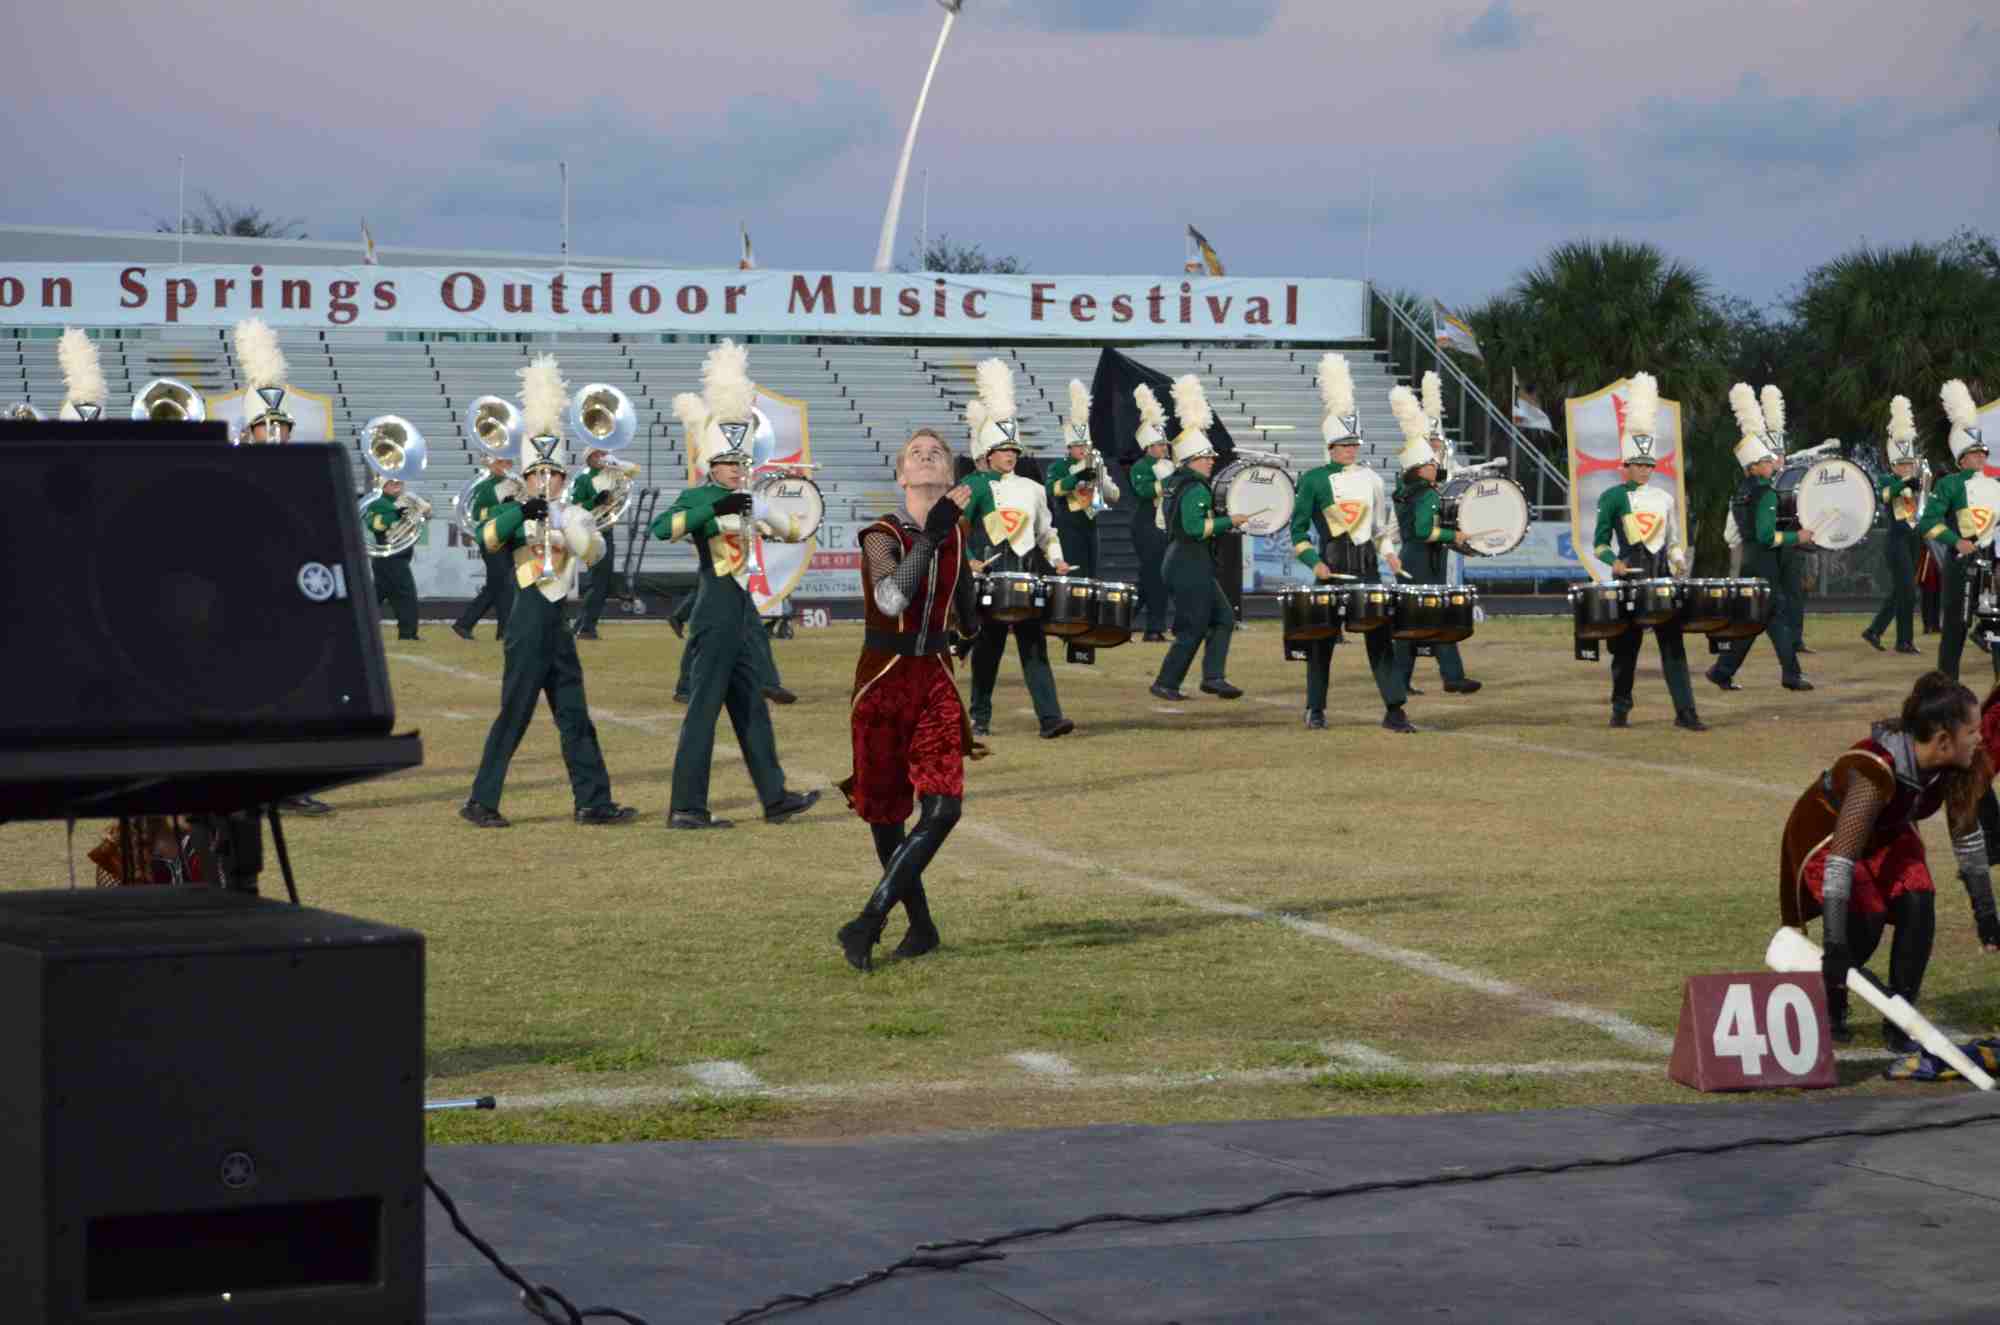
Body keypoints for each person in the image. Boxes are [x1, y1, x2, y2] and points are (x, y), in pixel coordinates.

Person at [461, 355, 638, 830]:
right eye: (537, 474)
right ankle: (481, 800)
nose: (545, 481)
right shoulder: (513, 510)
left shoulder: (573, 512)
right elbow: (487, 536)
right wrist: (524, 512)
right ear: (525, 478)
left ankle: (593, 801)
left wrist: (564, 522)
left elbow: (595, 552)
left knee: (575, 715)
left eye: (553, 474)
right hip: (527, 617)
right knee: (514, 714)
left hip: (558, 620)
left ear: (563, 477)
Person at [1779, 671, 1998, 1050]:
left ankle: (1900, 1018)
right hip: (1829, 833)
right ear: (1943, 740)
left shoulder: (1955, 766)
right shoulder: (1875, 769)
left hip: (1888, 830)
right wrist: (1834, 943)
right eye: (1972, 731)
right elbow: (1840, 859)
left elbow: (1967, 838)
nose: (1980, 739)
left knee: (1919, 898)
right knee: (1866, 914)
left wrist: (1987, 915)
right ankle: (1830, 1001)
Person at [835, 428, 983, 970]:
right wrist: (933, 534)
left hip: (935, 677)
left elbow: (962, 596)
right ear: (901, 475)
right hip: (883, 678)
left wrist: (970, 625)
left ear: (950, 475)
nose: (926, 456)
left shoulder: (957, 533)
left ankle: (868, 921)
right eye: (916, 454)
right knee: (887, 814)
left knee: (945, 808)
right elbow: (891, 597)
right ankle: (921, 927)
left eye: (936, 453)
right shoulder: (880, 535)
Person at [655, 341, 819, 830]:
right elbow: (662, 528)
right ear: (711, 462)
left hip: (742, 612)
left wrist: (767, 511)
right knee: (703, 712)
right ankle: (686, 807)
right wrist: (716, 507)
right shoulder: (699, 495)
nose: (736, 467)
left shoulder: (748, 496)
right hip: (713, 611)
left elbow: (794, 529)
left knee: (752, 711)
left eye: (740, 460)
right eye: (727, 461)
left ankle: (775, 797)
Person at [1290, 352, 1413, 733]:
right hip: (1330, 567)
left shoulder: (1373, 479)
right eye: (1344, 445)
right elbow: (1297, 533)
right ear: (1330, 447)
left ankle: (1395, 710)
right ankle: (1315, 708)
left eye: (1354, 444)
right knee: (1320, 643)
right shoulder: (1313, 480)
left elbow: (1379, 529)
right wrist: (1314, 563)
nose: (1350, 450)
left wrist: (1390, 555)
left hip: (1366, 569)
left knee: (1380, 640)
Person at [960, 357, 1076, 738]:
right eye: (1003, 449)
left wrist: (1057, 560)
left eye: (1014, 449)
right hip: (992, 577)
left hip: (1028, 574)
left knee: (1034, 646)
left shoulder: (1034, 489)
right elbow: (953, 528)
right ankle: (979, 716)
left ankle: (1050, 718)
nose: (1010, 454)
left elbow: (1047, 533)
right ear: (988, 453)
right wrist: (968, 560)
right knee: (988, 649)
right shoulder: (975, 485)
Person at [1589, 372, 1703, 730]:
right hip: (1631, 576)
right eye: (1639, 464)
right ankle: (1620, 709)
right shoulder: (1612, 497)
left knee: (1673, 646)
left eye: (1649, 464)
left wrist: (1678, 560)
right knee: (1626, 650)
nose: (1645, 470)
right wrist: (1614, 563)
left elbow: (1672, 541)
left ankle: (1686, 713)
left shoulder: (1665, 498)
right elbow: (1599, 544)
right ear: (1626, 465)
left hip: (1662, 577)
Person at [1708, 383, 1813, 693]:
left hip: (1749, 563)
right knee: (1773, 618)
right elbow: (1767, 536)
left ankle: (1722, 672)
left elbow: (1738, 533)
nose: (1772, 464)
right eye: (1767, 461)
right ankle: (1790, 675)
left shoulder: (1740, 492)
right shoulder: (1766, 493)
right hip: (1766, 565)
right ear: (1754, 466)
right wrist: (1797, 536)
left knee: (1753, 622)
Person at [1150, 374, 1247, 701]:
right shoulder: (1194, 487)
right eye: (1206, 457)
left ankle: (1213, 677)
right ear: (1192, 460)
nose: (1211, 461)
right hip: (1188, 561)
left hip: (1185, 560)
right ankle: (1166, 682)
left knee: (1223, 618)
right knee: (1193, 627)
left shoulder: (1176, 481)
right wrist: (1229, 521)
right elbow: (1193, 528)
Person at [1389, 385, 1481, 699]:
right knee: (1437, 617)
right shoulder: (1427, 494)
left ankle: (1402, 680)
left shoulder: (1405, 490)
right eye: (1431, 464)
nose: (1435, 467)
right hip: (1425, 560)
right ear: (1420, 468)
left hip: (1410, 557)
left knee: (1409, 622)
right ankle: (1453, 677)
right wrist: (1454, 535)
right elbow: (1424, 531)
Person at [1917, 380, 1998, 683]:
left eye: (1984, 453)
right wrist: (1956, 541)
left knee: (1996, 629)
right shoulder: (1949, 485)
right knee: (1955, 629)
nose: (1982, 458)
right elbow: (1928, 523)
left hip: (1991, 564)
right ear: (1962, 458)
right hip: (1961, 564)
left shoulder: (1995, 486)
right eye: (1975, 454)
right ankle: (1946, 688)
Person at [1863, 396, 1924, 655]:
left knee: (1903, 590)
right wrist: (1905, 483)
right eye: (1902, 464)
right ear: (1893, 464)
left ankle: (1875, 631)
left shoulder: (1917, 479)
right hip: (1896, 540)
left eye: (1909, 463)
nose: (1907, 467)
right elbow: (1885, 496)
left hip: (1913, 539)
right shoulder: (1888, 480)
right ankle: (1903, 641)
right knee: (1907, 591)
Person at [1044, 379, 1121, 581]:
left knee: (1091, 574)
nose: (1082, 449)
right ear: (1069, 447)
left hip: (1091, 524)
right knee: (1074, 574)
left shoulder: (1096, 463)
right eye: (1078, 445)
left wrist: (1101, 478)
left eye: (1085, 444)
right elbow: (1052, 490)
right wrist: (1079, 476)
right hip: (1067, 526)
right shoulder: (1058, 466)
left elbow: (1114, 496)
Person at [569, 447, 640, 640]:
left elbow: (635, 470)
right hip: (590, 532)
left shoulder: (613, 473)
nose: (601, 457)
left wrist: (616, 462)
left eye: (603, 453)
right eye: (596, 455)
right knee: (598, 581)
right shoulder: (583, 478)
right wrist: (596, 500)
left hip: (607, 530)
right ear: (588, 458)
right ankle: (586, 627)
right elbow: (575, 507)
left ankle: (582, 625)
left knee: (602, 581)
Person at [1126, 384, 1174, 642]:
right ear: (1148, 447)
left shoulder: (1169, 465)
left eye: (1164, 443)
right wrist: (1171, 482)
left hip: (1164, 525)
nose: (1164, 448)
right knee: (1155, 577)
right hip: (1146, 525)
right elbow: (1144, 491)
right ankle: (1154, 628)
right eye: (1159, 444)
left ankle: (1123, 621)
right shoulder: (1140, 466)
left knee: (1151, 578)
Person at [453, 456, 518, 641]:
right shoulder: (483, 486)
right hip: (491, 537)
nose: (505, 466)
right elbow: (477, 514)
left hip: (510, 537)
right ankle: (504, 631)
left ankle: (464, 624)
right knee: (505, 585)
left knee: (496, 585)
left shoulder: (516, 484)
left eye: (508, 462)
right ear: (490, 464)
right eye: (500, 462)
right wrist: (502, 507)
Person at [363, 476, 424, 641]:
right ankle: (408, 634)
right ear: (384, 486)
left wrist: (421, 509)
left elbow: (426, 513)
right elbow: (375, 525)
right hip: (390, 557)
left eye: (399, 482)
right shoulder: (378, 503)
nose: (398, 485)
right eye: (393, 483)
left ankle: (354, 625)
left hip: (394, 557)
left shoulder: (405, 501)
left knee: (377, 595)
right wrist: (395, 514)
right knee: (406, 594)